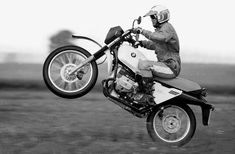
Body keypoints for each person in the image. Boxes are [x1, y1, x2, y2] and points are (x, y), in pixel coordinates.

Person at [133, 5, 181, 79]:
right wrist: (141, 43)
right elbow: (155, 45)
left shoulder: (167, 27)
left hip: (170, 66)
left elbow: (158, 38)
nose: (151, 19)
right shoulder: (161, 30)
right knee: (136, 62)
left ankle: (147, 89)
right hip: (165, 65)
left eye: (153, 17)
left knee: (144, 65)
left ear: (161, 16)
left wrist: (142, 31)